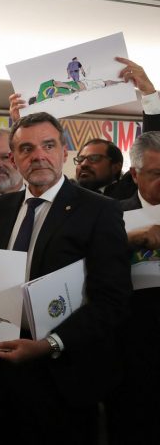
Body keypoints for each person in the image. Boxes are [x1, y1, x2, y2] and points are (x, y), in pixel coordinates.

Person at [0, 112, 130, 445]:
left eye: (48, 145)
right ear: (15, 158)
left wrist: (49, 345)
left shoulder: (100, 210)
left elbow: (112, 300)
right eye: (27, 148)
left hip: (63, 374)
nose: (38, 156)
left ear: (64, 151)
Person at [106, 131, 160, 444]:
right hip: (128, 348)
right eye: (156, 174)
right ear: (135, 174)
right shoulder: (110, 213)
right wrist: (130, 240)